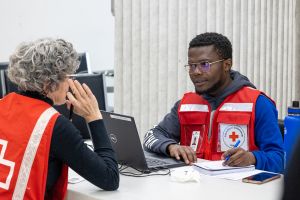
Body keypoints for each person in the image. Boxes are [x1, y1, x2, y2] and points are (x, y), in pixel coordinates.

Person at [143, 32, 284, 173]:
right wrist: (171, 147)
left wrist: (252, 158)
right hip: (194, 188)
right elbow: (153, 135)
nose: (196, 72)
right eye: (192, 66)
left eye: (205, 64)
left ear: (227, 65)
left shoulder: (258, 103)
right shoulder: (185, 105)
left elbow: (279, 159)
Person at [0, 38, 119, 199]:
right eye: (67, 76)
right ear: (49, 84)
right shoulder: (52, 124)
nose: (71, 82)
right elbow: (109, 178)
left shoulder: (3, 104)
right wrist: (94, 116)